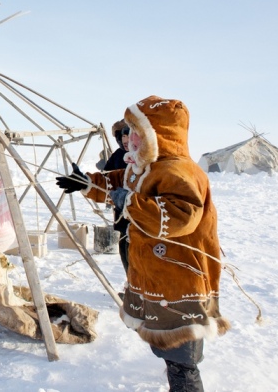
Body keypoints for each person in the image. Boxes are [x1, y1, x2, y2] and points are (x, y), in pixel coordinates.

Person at [56, 96, 230, 392]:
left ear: (157, 135)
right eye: (129, 131)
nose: (129, 138)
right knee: (165, 336)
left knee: (182, 351)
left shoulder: (180, 171)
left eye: (136, 131)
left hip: (180, 274)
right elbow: (115, 180)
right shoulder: (144, 167)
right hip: (155, 271)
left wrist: (132, 203)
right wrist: (87, 183)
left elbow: (181, 217)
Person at [104, 119, 131, 274]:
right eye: (121, 137)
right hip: (121, 216)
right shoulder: (117, 156)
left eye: (127, 135)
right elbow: (105, 177)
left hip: (139, 216)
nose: (124, 140)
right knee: (124, 253)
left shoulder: (142, 156)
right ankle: (130, 290)